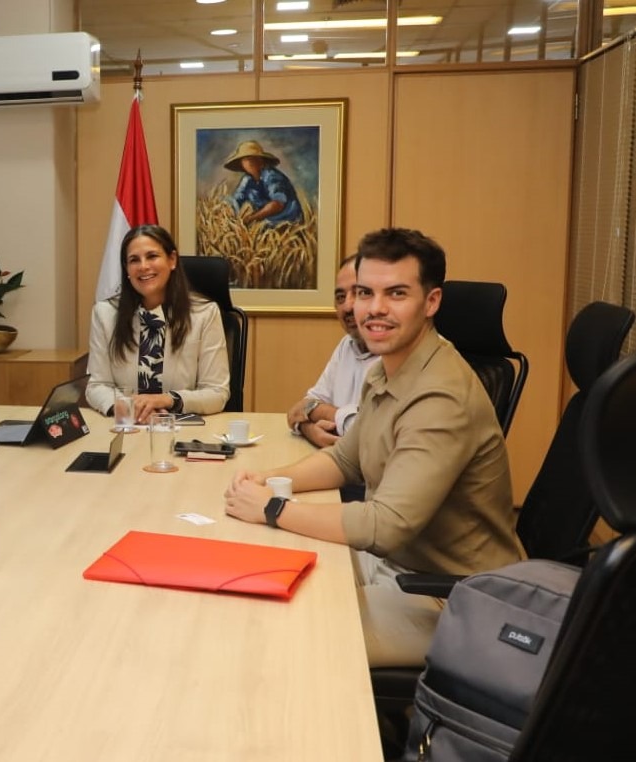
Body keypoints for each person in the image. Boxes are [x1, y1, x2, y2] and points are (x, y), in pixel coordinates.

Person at [224, 227, 523, 668]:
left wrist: (273, 508)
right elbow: (347, 459)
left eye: (396, 293)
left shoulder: (440, 397)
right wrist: (268, 480)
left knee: (288, 633)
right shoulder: (386, 370)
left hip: (450, 601)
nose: (374, 309)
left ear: (431, 302)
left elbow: (386, 525)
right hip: (396, 569)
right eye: (365, 293)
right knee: (256, 574)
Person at [86, 224, 230, 423]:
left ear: (172, 260)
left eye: (152, 256)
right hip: (127, 427)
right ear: (126, 269)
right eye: (134, 260)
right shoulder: (105, 314)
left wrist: (165, 400)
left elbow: (216, 393)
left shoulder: (204, 314)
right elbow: (97, 386)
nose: (143, 266)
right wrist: (130, 408)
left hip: (183, 430)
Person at [287, 254, 377, 448]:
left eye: (360, 293)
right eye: (340, 297)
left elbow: (369, 433)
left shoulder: (404, 354)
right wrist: (311, 430)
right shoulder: (347, 344)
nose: (347, 306)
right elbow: (298, 410)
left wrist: (320, 413)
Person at [224, 140, 303, 227]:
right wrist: (229, 213)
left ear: (261, 160)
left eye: (252, 159)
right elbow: (237, 199)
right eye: (245, 160)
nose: (249, 163)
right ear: (241, 164)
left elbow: (277, 204)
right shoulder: (247, 180)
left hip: (288, 222)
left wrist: (252, 218)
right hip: (265, 224)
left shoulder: (272, 176)